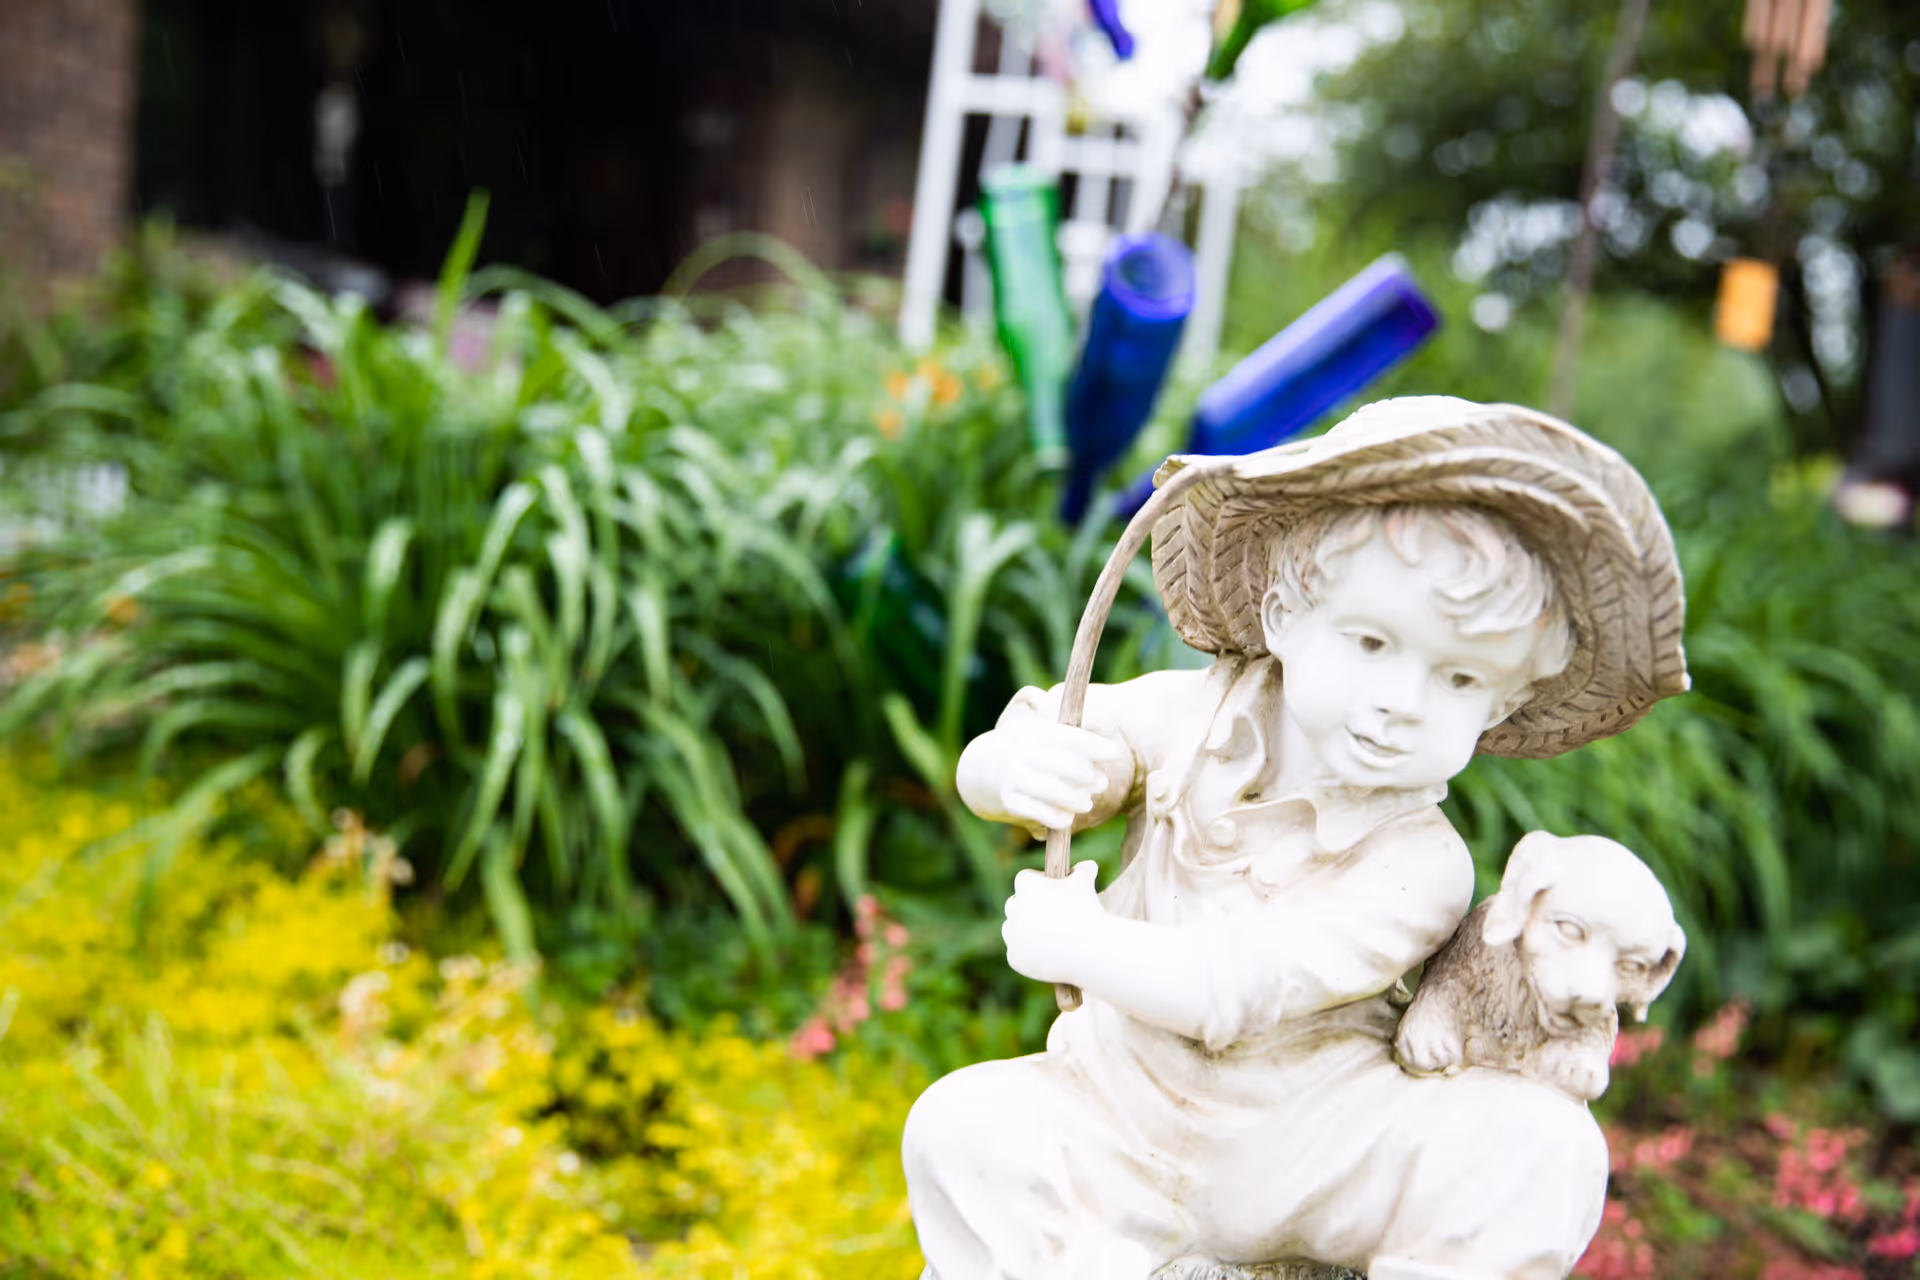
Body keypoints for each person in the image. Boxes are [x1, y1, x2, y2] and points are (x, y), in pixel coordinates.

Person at [901, 396, 1690, 1280]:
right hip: (1119, 1114)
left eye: (1460, 677)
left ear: (1502, 706)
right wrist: (1016, 770)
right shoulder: (1190, 715)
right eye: (1370, 642)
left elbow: (1235, 984)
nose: (1402, 700)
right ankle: (1104, 1253)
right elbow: (1053, 735)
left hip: (1303, 1148)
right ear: (1285, 614)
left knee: (1545, 1144)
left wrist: (1083, 944)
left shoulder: (1420, 864)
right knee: (957, 1126)